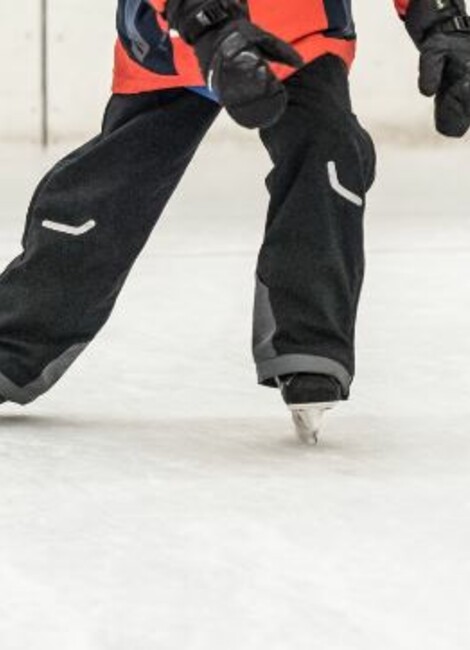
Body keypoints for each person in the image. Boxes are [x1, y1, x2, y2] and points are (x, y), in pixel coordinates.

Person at [0, 0, 469, 443]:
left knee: (327, 154)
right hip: (174, 42)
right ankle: (13, 340)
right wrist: (210, 26)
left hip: (299, 30)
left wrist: (442, 22)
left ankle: (310, 343)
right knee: (106, 195)